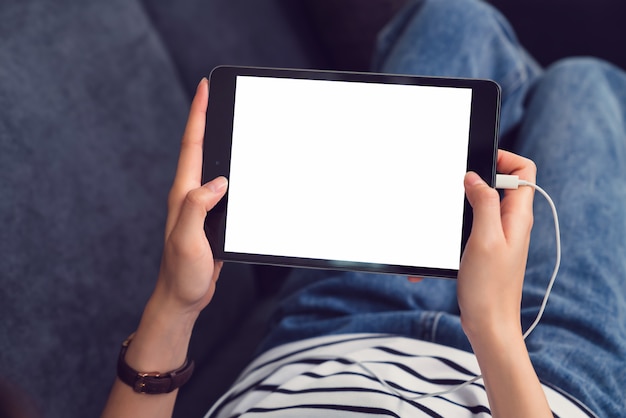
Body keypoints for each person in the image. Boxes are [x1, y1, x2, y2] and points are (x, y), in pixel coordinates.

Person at [101, 0, 626, 416]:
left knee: (455, 17)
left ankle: (502, 122)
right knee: (585, 84)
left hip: (321, 341)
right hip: (538, 378)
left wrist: (175, 301)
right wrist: (493, 328)